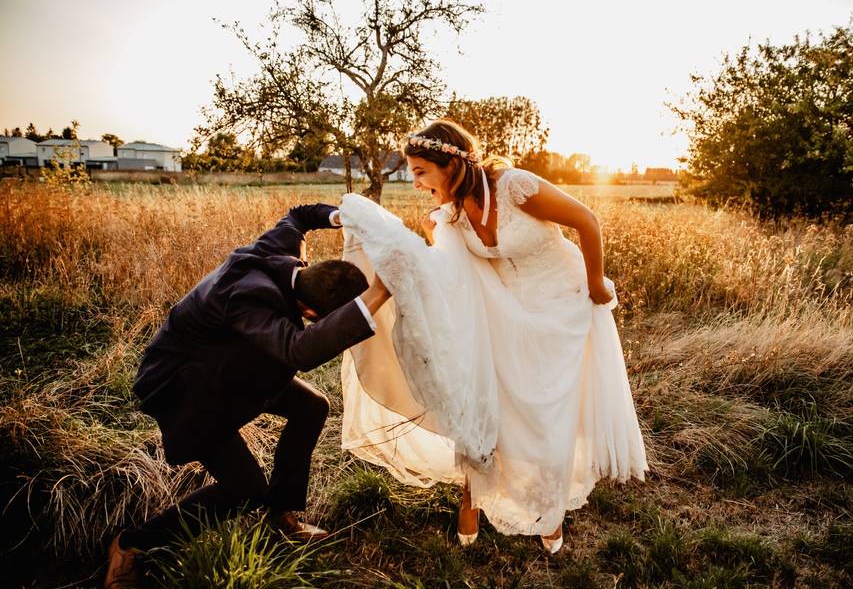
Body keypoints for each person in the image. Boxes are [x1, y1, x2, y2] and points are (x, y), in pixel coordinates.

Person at [337, 120, 648, 555]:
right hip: (506, 311)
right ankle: (473, 493)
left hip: (563, 304)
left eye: (421, 170)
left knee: (548, 413)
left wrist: (597, 284)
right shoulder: (450, 215)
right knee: (490, 398)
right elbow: (445, 268)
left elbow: (587, 221)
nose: (415, 181)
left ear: (451, 166)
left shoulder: (516, 186)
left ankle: (548, 509)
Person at [104, 202, 391, 589]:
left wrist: (341, 217)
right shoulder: (249, 301)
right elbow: (299, 352)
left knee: (312, 406)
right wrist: (378, 295)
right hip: (187, 387)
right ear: (308, 310)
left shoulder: (281, 252)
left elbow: (299, 215)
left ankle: (280, 514)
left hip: (236, 368)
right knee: (244, 490)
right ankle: (131, 545)